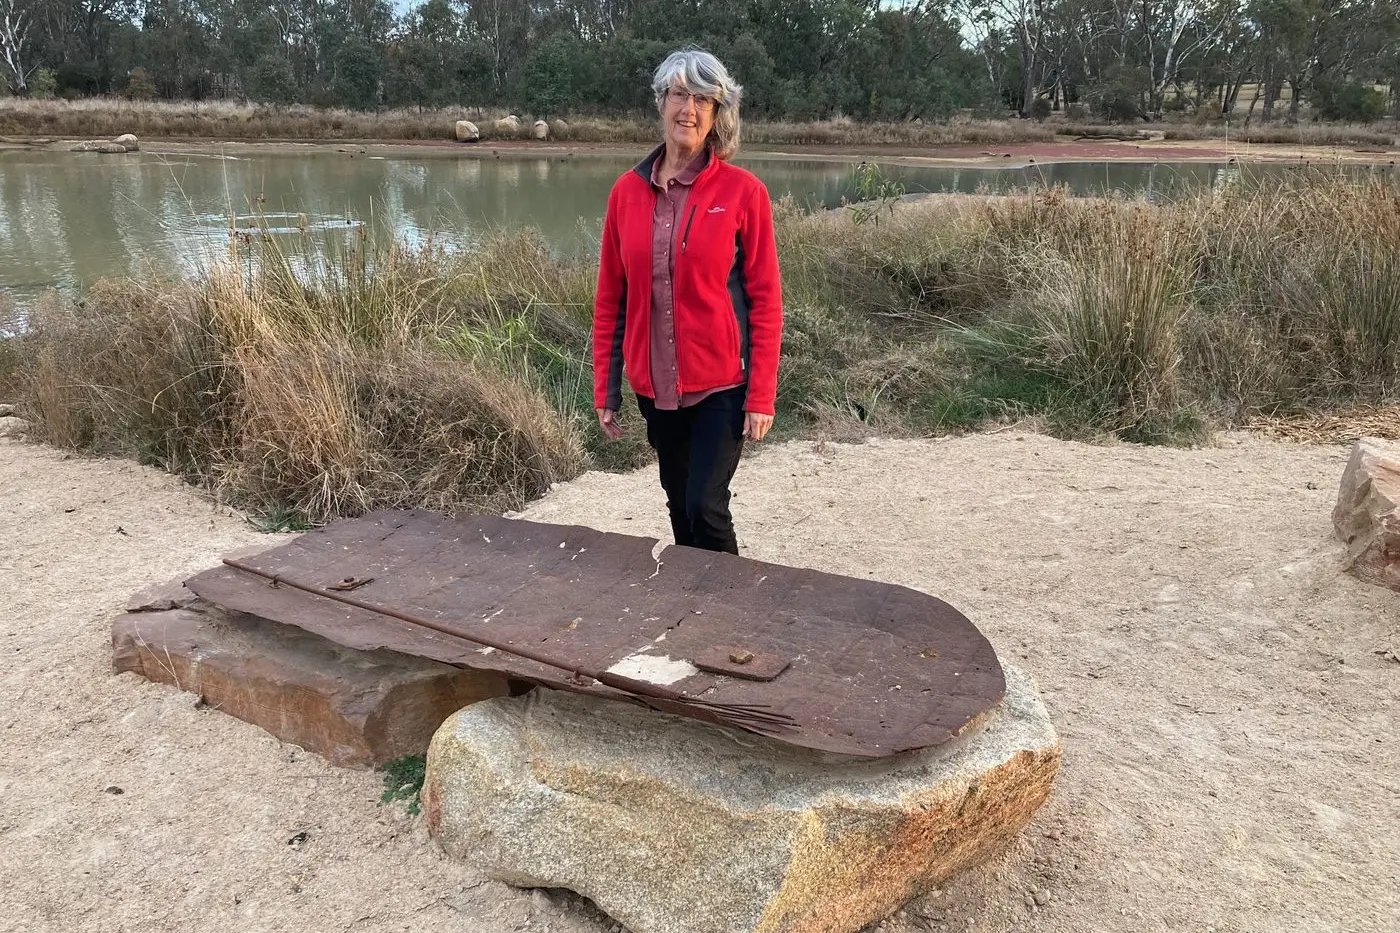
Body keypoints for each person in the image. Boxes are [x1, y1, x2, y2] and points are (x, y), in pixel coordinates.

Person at [592, 47, 784, 556]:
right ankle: (691, 613)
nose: (690, 109)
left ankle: (730, 610)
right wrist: (606, 388)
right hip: (655, 386)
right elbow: (610, 299)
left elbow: (765, 300)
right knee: (678, 505)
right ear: (661, 102)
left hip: (721, 382)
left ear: (718, 113)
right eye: (680, 94)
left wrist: (761, 394)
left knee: (706, 507)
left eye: (704, 99)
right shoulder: (624, 195)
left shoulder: (745, 193)